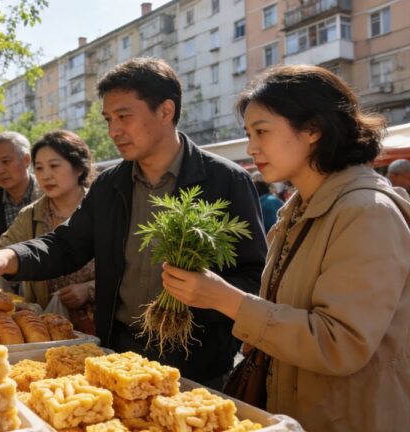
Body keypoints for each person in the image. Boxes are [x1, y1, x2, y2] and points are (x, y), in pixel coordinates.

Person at [0, 58, 267, 388]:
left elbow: (254, 277)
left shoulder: (225, 180)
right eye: (108, 119)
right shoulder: (109, 185)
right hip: (120, 356)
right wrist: (9, 257)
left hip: (198, 365)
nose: (113, 131)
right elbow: (66, 244)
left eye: (123, 116)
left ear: (165, 111)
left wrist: (211, 293)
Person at [159, 65, 410, 431]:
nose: (251, 147)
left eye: (262, 131)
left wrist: (225, 299)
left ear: (313, 129)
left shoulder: (367, 212)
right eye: (248, 133)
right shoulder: (301, 207)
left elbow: (340, 343)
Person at [0, 131, 96, 334]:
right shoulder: (30, 215)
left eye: (54, 166)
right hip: (48, 328)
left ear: (79, 167)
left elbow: (129, 270)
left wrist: (89, 289)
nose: (45, 175)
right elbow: (0, 251)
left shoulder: (103, 209)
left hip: (103, 325)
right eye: (39, 168)